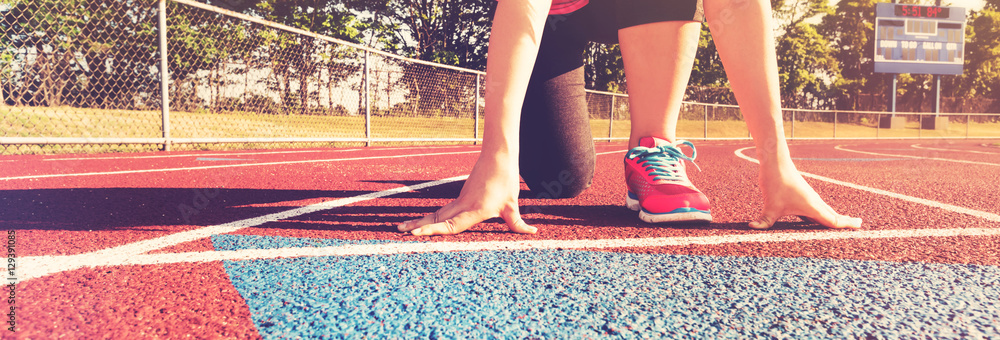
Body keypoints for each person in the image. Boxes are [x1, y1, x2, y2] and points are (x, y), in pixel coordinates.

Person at [397, 0, 863, 236]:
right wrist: (496, 157)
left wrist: (776, 165)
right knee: (563, 174)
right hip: (554, 17)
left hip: (645, 8)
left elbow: (737, 5)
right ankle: (508, 164)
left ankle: (652, 148)